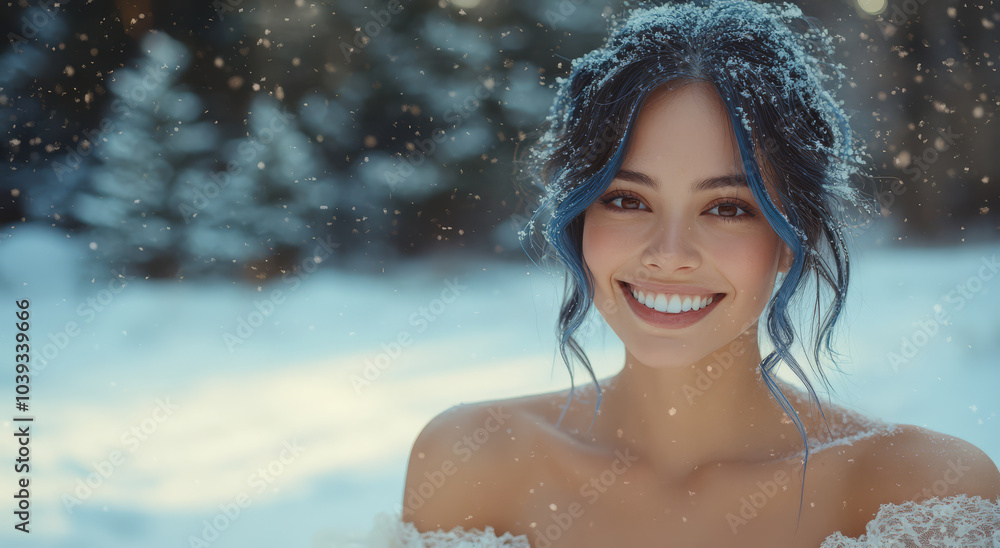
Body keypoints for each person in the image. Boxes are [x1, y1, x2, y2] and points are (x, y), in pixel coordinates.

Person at [399, 0, 1000, 546]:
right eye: (627, 200)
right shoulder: (470, 463)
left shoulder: (920, 493)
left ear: (794, 238)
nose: (669, 252)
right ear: (580, 215)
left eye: (728, 208)